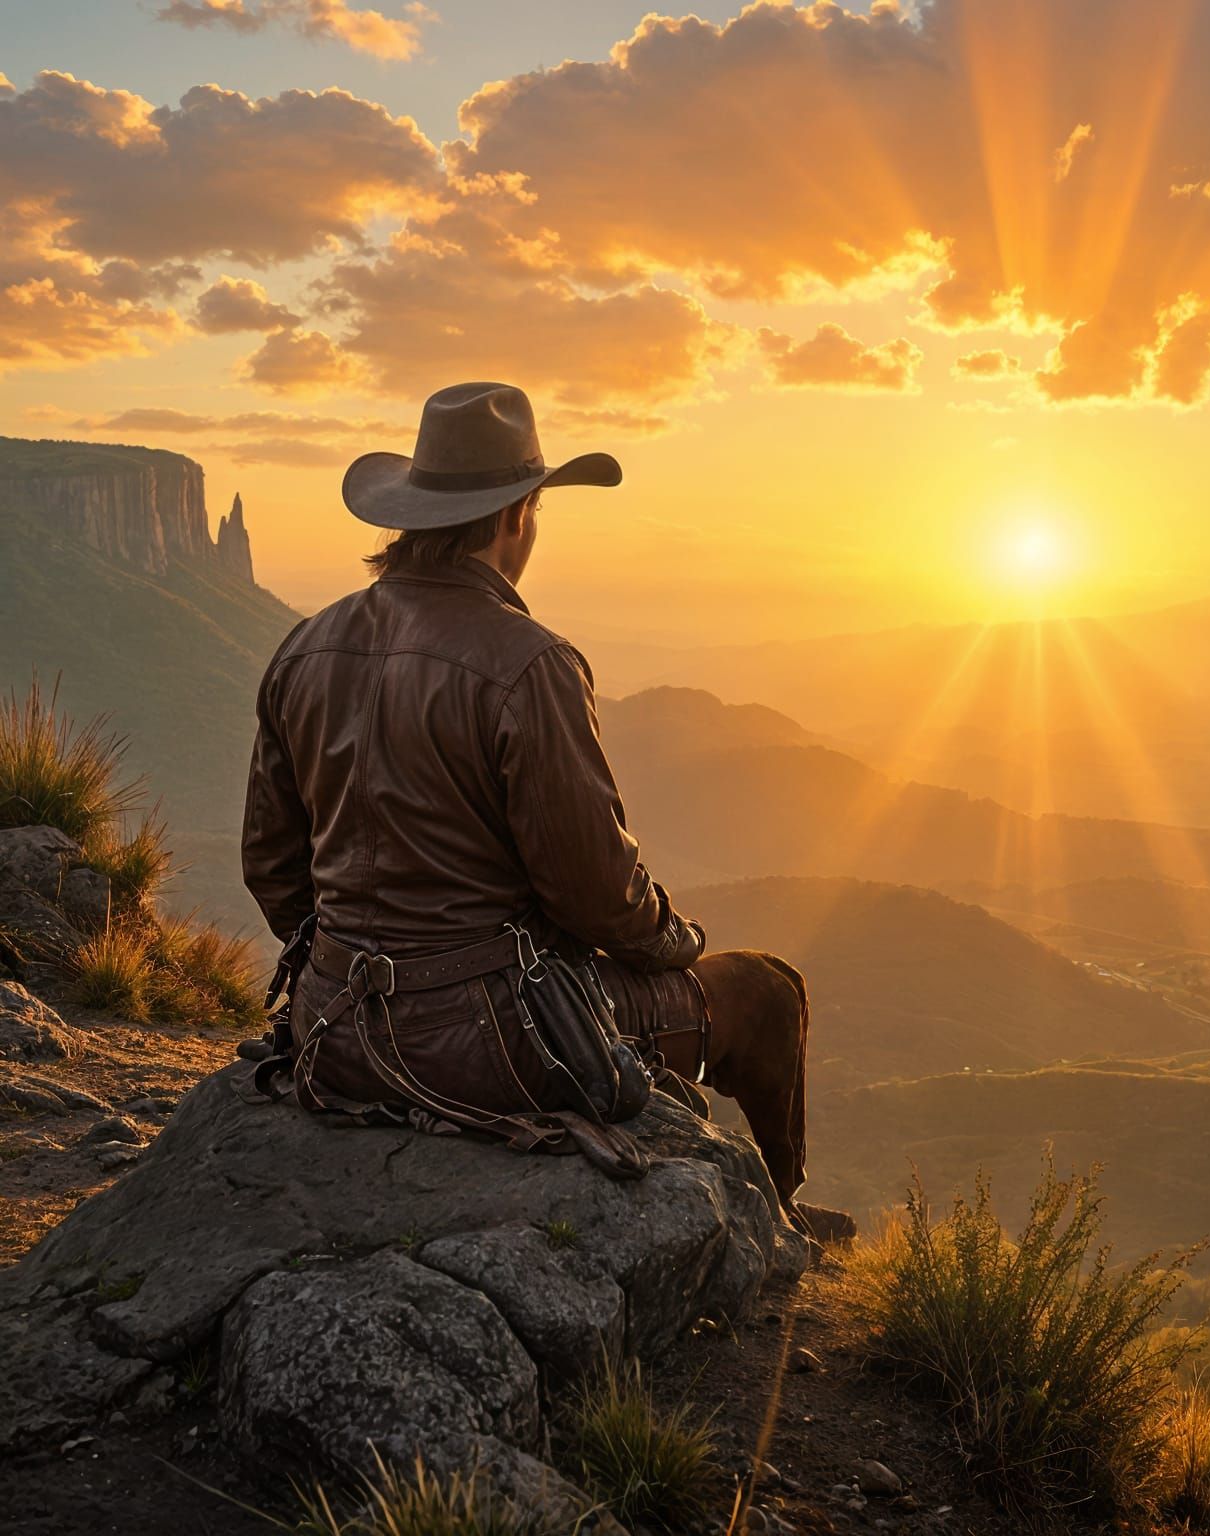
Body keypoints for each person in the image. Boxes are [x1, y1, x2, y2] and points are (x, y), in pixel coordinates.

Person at [241, 381, 852, 1243]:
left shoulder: (303, 647)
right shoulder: (529, 664)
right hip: (497, 1043)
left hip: (333, 1029)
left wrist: (360, 955)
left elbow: (273, 871)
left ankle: (773, 1218)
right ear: (518, 516)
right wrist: (675, 941)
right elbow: (593, 892)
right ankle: (777, 1225)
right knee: (765, 992)